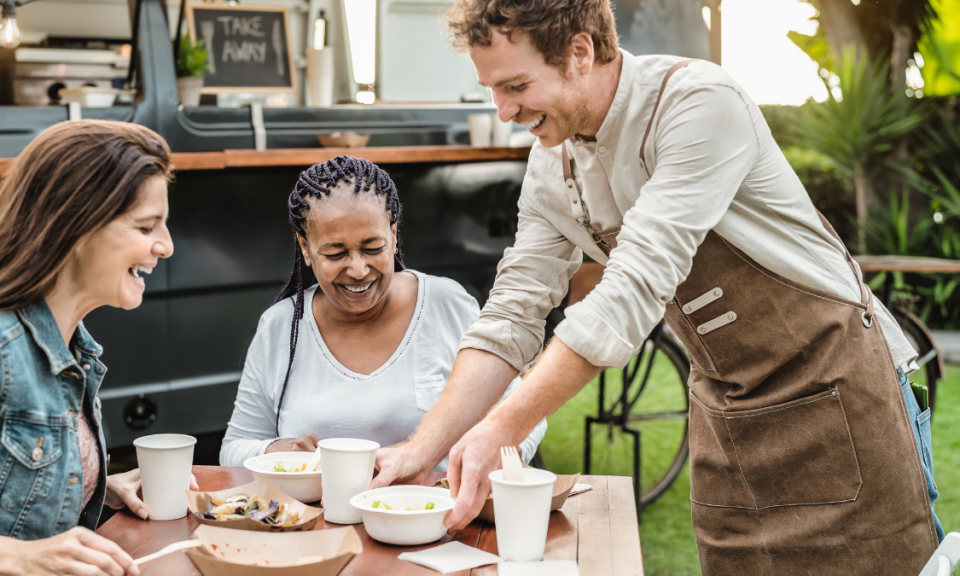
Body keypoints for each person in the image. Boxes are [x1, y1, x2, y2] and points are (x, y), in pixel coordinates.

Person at [369, 1, 943, 574]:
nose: (503, 110)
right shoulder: (553, 164)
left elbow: (631, 290)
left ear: (580, 52)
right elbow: (512, 313)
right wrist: (425, 449)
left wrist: (503, 425)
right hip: (727, 414)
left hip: (838, 396)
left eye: (516, 85)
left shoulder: (699, 104)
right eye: (491, 88)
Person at [0, 120, 195, 576]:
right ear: (77, 225)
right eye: (146, 225)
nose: (167, 245)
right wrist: (10, 556)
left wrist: (96, 485)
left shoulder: (74, 347)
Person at [219, 156, 546, 471]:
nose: (358, 269)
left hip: (435, 518)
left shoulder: (445, 304)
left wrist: (485, 468)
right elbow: (235, 446)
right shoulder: (280, 326)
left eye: (372, 248)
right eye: (336, 253)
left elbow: (524, 414)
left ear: (393, 235)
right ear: (305, 248)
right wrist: (273, 450)